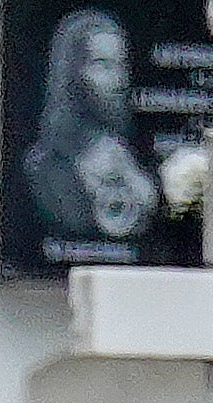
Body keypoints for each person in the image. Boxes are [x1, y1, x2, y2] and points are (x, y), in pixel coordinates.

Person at [23, 10, 158, 247]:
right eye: (102, 65)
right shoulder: (44, 165)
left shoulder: (125, 155)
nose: (118, 81)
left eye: (121, 65)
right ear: (73, 72)